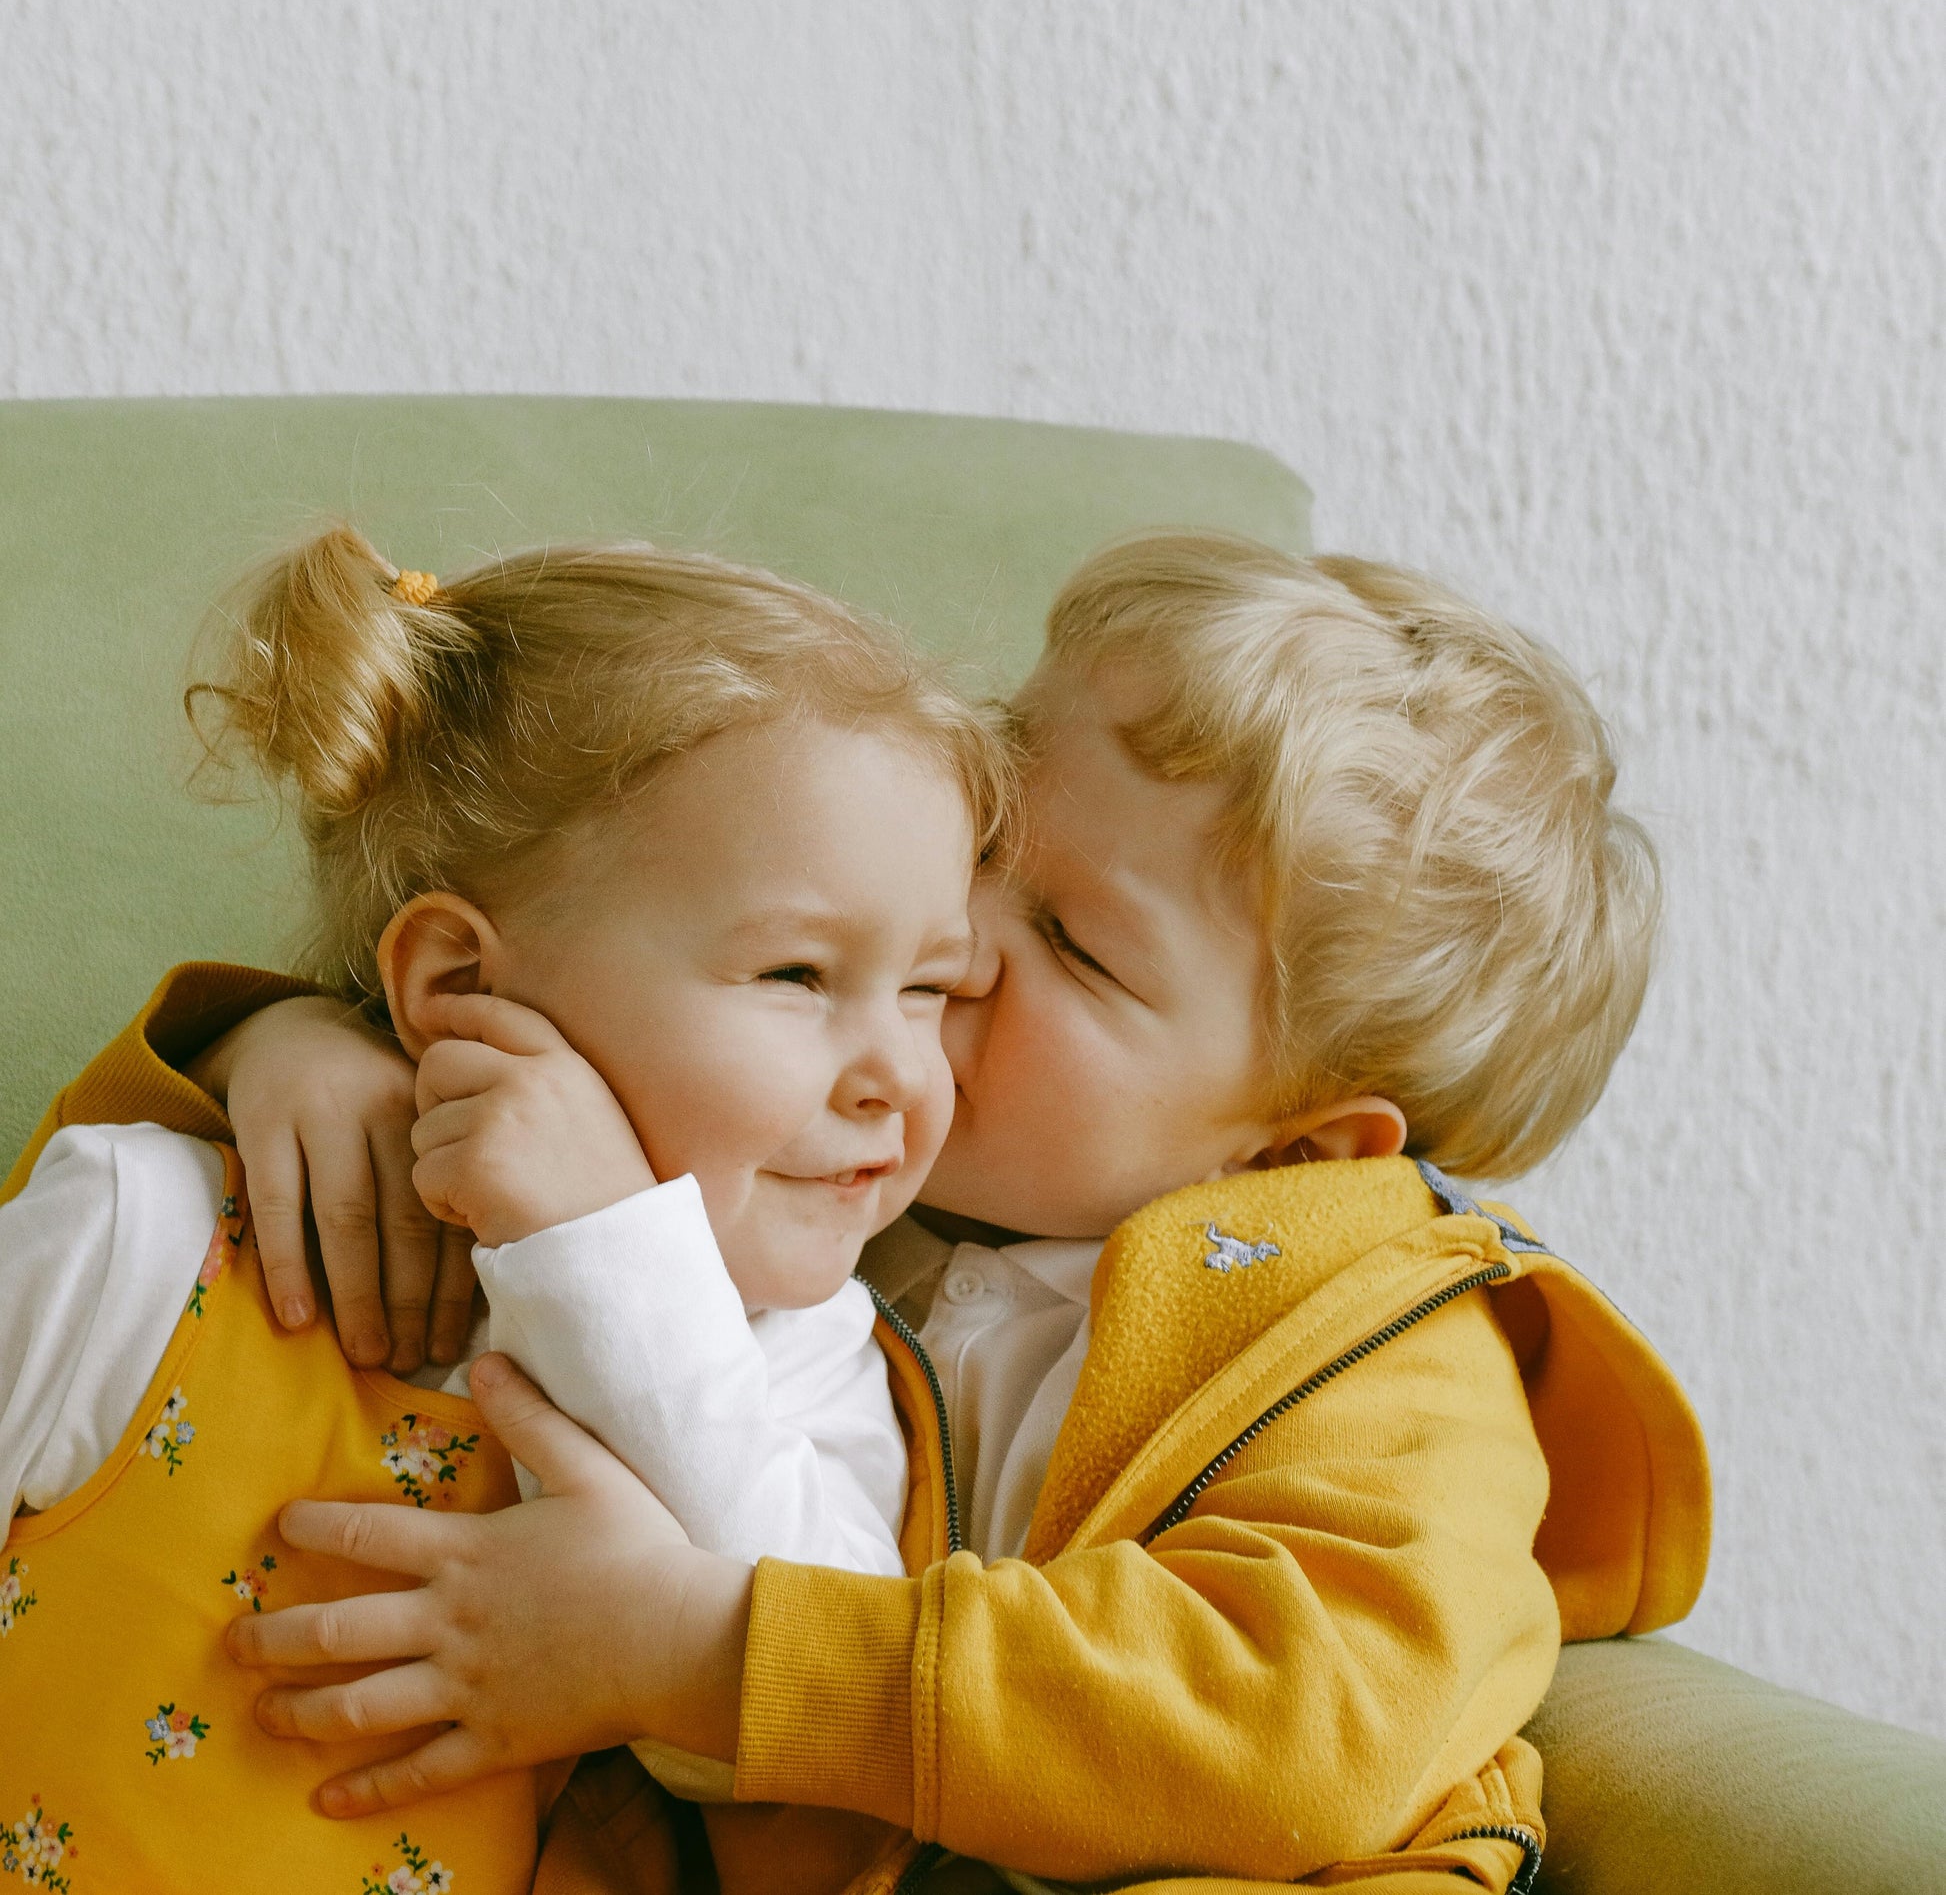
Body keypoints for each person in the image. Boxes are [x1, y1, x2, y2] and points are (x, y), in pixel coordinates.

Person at [3, 534, 1711, 1895]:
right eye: (985, 834)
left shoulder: (1388, 1359)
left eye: (1073, 941)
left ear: (1286, 1156)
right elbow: (592, 960)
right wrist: (301, 1039)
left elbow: (1287, 1731)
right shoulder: (865, 1202)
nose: (954, 935)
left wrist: (703, 1651)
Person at [0, 528, 1012, 1885]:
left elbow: (811, 1733)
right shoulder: (146, 1231)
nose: (900, 1071)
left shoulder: (811, 1361)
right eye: (794, 971)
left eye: (931, 987)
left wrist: (603, 1249)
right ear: (458, 982)